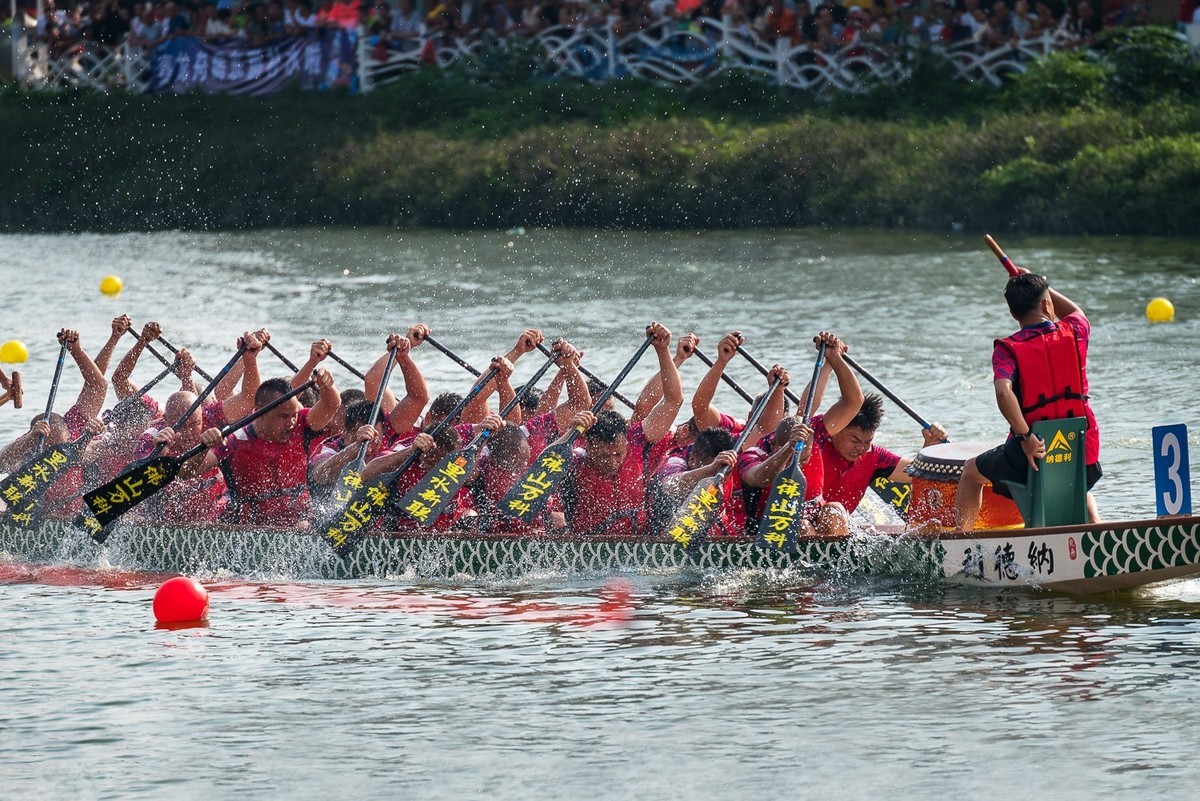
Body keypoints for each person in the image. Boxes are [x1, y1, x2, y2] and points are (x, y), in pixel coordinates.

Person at [956, 269, 1102, 531]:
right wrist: (1041, 284)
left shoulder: (1007, 350)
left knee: (970, 472)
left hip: (1033, 456)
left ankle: (961, 540)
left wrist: (1025, 437)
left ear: (1013, 313)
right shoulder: (1076, 331)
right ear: (1047, 304)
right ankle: (1096, 529)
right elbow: (1075, 311)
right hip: (1083, 452)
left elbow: (1004, 392)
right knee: (1077, 482)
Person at [557, 322, 682, 536]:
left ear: (626, 442)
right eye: (603, 456)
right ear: (588, 445)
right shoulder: (575, 458)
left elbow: (673, 401)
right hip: (590, 544)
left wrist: (663, 351)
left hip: (639, 541)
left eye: (617, 454)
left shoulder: (638, 442)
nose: (612, 462)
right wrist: (570, 432)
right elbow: (541, 465)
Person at [800, 332, 947, 515]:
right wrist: (830, 361)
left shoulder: (874, 457)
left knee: (833, 512)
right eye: (855, 440)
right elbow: (804, 412)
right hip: (801, 521)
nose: (861, 448)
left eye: (867, 441)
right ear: (837, 428)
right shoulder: (814, 440)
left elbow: (917, 472)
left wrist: (931, 447)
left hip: (836, 522)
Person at [201, 368, 341, 527]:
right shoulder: (235, 439)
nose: (291, 422)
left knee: (304, 525)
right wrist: (204, 447)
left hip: (301, 522)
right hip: (251, 527)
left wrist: (327, 386)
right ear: (260, 413)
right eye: (283, 416)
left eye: (294, 415)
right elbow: (188, 471)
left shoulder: (302, 423)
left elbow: (331, 405)